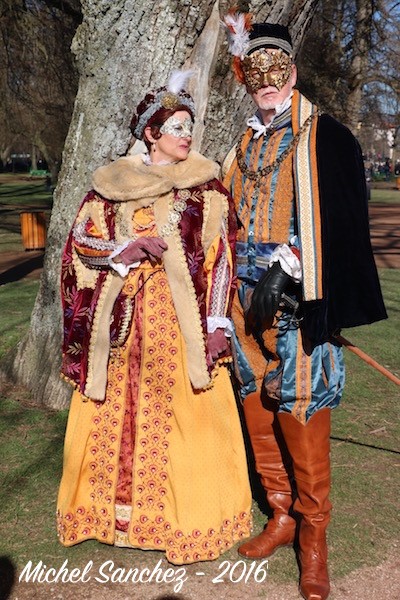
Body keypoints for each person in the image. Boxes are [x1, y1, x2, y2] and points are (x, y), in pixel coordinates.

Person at [222, 13, 387, 600]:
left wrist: (292, 266)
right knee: (255, 405)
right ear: (245, 76)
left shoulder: (325, 135)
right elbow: (228, 217)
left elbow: (342, 220)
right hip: (243, 301)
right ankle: (282, 513)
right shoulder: (242, 143)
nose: (267, 79)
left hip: (296, 296)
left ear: (291, 71)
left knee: (301, 404)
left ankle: (314, 537)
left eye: (277, 68)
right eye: (255, 69)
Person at [57, 71, 252, 565]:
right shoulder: (109, 187)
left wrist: (214, 324)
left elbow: (221, 259)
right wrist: (126, 247)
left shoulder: (204, 188)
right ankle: (107, 516)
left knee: (187, 416)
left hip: (179, 325)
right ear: (151, 133)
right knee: (112, 415)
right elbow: (81, 244)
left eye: (190, 127)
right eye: (177, 127)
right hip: (121, 327)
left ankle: (183, 520)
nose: (187, 135)